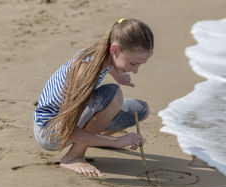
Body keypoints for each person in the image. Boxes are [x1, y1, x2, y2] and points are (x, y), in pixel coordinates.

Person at [33, 18, 154, 177]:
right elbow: (65, 130)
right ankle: (74, 156)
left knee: (141, 110)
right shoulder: (84, 72)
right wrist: (117, 142)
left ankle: (96, 137)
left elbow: (107, 64)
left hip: (73, 117)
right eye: (133, 63)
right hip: (50, 132)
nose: (136, 71)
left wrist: (118, 75)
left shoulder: (103, 50)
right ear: (115, 50)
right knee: (114, 95)